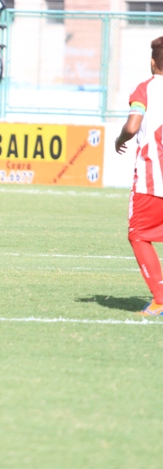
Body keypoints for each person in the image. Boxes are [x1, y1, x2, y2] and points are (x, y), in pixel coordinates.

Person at [115, 36, 163, 316]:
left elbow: (133, 126)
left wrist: (120, 138)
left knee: (139, 234)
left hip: (152, 179)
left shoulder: (145, 89)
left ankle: (160, 298)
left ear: (152, 62)